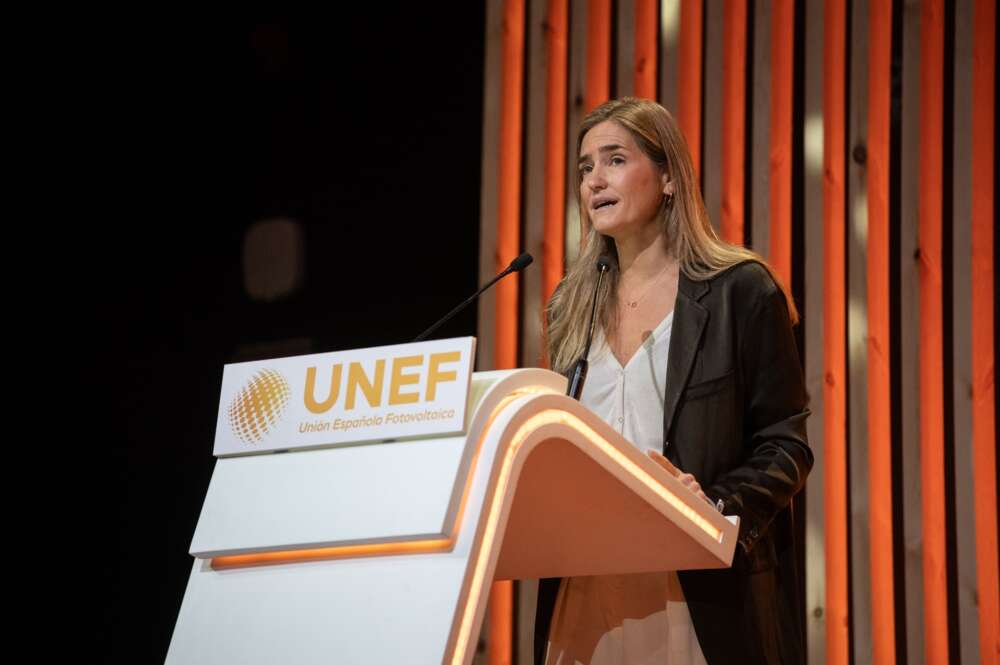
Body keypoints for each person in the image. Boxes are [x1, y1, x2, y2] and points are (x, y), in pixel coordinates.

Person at [536, 97, 813, 665]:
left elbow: (784, 445)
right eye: (585, 167)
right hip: (585, 591)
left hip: (692, 591)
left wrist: (713, 505)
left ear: (667, 178)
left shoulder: (742, 291)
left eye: (615, 159)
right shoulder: (570, 307)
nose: (594, 180)